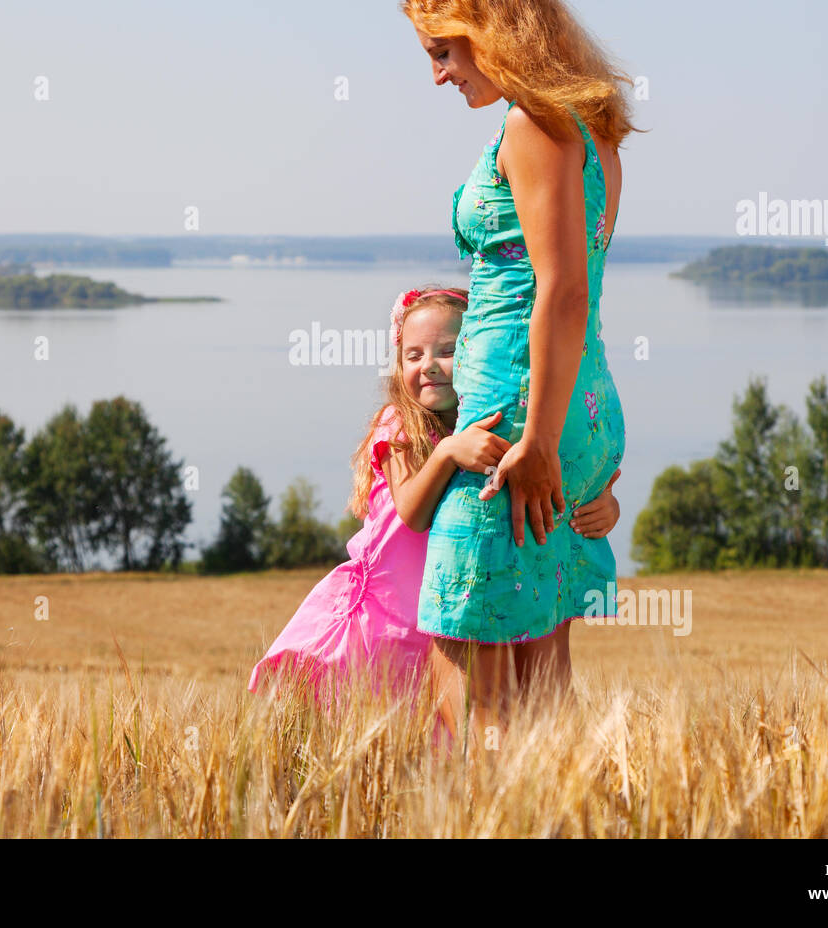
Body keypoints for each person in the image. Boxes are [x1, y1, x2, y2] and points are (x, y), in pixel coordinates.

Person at [402, 0, 642, 746]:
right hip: (576, 407)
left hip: (516, 426)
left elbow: (562, 290)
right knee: (543, 695)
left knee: (466, 696)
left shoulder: (531, 126)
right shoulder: (595, 128)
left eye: (444, 51)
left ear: (487, 27)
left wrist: (535, 438)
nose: (439, 75)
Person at [248, 285, 622, 724]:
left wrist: (607, 506)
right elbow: (411, 512)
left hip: (443, 611)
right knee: (368, 722)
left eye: (446, 350)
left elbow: (547, 485)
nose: (428, 366)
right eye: (413, 354)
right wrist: (447, 453)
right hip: (384, 615)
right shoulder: (399, 425)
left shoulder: (489, 424)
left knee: (435, 727)